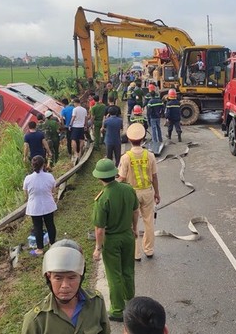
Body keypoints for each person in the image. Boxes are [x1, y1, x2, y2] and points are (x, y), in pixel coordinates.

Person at [21, 240, 110, 333]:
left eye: (71, 278)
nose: (65, 286)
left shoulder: (96, 303)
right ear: (49, 277)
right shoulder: (36, 321)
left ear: (81, 276)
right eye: (58, 278)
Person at [92, 158, 139, 322]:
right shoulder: (128, 189)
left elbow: (99, 229)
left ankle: (118, 310)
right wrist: (134, 228)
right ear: (114, 173)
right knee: (128, 270)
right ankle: (131, 300)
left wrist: (98, 248)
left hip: (112, 240)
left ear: (99, 178)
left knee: (114, 275)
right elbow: (135, 211)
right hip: (127, 235)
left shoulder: (102, 198)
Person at [118, 123, 160, 261]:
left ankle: (136, 253)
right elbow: (154, 176)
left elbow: (122, 178)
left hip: (131, 194)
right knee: (149, 222)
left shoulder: (126, 157)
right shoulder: (150, 155)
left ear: (129, 140)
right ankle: (149, 249)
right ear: (143, 139)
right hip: (147, 191)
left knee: (132, 224)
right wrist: (157, 193)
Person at [23, 156, 57, 256]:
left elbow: (26, 194)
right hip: (48, 205)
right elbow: (53, 190)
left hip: (34, 207)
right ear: (44, 164)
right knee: (50, 225)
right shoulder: (49, 176)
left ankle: (40, 249)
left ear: (32, 165)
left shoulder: (28, 178)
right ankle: (52, 244)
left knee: (37, 227)